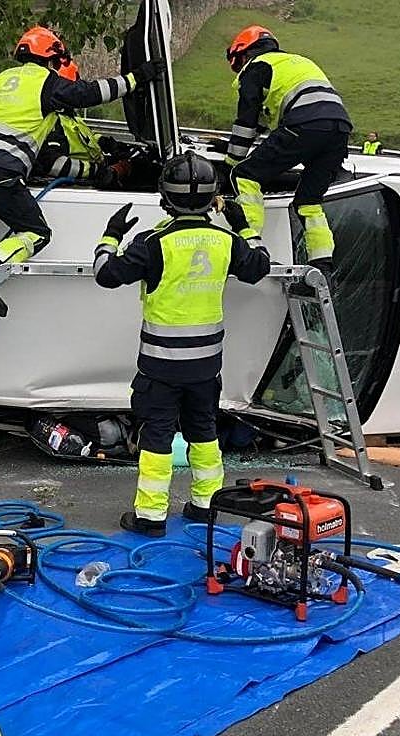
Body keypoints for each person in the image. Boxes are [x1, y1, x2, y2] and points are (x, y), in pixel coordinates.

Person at [0, 27, 165, 350]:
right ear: (52, 55)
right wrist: (136, 78)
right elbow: (89, 93)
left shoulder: (1, 81)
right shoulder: (43, 81)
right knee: (35, 232)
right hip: (1, 170)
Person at [92, 151, 272, 536]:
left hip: (161, 365)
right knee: (204, 430)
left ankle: (151, 516)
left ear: (164, 197)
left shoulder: (154, 242)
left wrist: (110, 236)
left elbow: (105, 275)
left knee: (157, 435)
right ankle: (207, 505)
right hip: (206, 365)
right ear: (212, 199)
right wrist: (243, 225)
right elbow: (259, 266)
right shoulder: (225, 241)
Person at [221, 25, 351, 272]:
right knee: (309, 201)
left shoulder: (256, 67)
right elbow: (262, 124)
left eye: (238, 64)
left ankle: (248, 249)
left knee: (244, 175)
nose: (239, 71)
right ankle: (322, 264)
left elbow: (246, 122)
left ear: (245, 53)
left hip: (305, 124)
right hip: (339, 129)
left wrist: (230, 163)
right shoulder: (295, 62)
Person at [33, 59, 130, 188]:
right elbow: (54, 165)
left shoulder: (70, 117)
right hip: (74, 187)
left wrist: (109, 144)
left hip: (92, 174)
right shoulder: (52, 122)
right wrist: (96, 170)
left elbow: (87, 138)